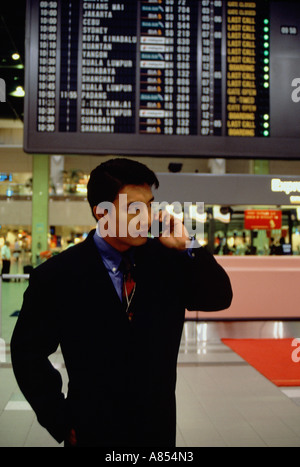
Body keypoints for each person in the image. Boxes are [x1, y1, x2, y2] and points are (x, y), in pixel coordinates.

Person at [11, 158, 233, 448]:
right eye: (133, 209)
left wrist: (189, 245)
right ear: (101, 213)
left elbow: (219, 298)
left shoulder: (168, 261)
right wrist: (60, 418)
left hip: (157, 431)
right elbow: (27, 352)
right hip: (93, 431)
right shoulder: (58, 276)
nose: (147, 217)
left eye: (149, 206)